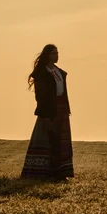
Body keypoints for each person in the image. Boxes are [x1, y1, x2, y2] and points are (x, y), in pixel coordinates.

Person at [21, 44, 74, 181]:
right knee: (49, 140)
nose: (56, 56)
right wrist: (45, 113)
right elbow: (40, 95)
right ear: (47, 55)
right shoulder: (42, 73)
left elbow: (63, 92)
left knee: (60, 142)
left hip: (61, 108)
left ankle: (60, 173)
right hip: (48, 109)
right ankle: (45, 173)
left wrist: (66, 109)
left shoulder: (59, 72)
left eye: (57, 53)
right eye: (53, 53)